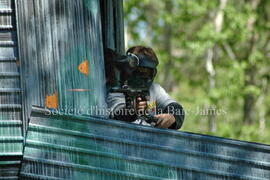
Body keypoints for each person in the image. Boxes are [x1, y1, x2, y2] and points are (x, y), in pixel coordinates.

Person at [106, 46, 184, 130]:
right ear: (129, 70)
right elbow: (119, 112)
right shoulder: (117, 92)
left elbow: (176, 108)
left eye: (150, 72)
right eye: (142, 71)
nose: (147, 77)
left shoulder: (154, 89)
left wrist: (171, 117)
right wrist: (133, 110)